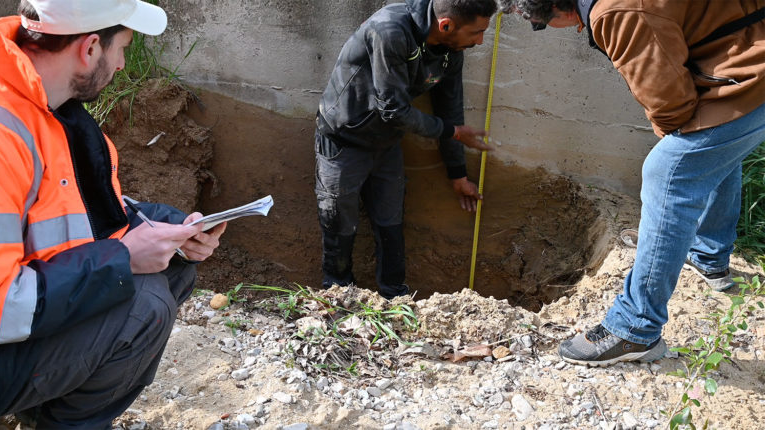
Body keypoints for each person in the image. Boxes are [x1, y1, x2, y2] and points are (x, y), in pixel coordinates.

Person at [0, 0, 227, 426]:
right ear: (88, 49)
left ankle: (38, 407)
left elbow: (82, 211)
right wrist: (121, 258)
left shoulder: (47, 107)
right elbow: (1, 307)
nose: (122, 65)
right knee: (144, 307)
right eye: (121, 48)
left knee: (172, 269)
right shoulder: (3, 134)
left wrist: (166, 226)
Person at [503, 0, 765, 367]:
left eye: (540, 24)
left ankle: (634, 328)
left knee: (669, 172)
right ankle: (708, 256)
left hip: (751, 70)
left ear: (559, 11)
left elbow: (671, 106)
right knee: (715, 148)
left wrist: (675, 143)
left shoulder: (615, 12)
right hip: (747, 50)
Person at [315, 0, 498, 299]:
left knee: (390, 224)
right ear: (446, 25)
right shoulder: (390, 30)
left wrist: (457, 174)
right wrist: (452, 132)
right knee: (339, 225)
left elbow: (449, 109)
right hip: (343, 140)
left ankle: (395, 299)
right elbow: (394, 110)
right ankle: (337, 296)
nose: (479, 41)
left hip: (387, 143)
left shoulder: (452, 50)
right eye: (476, 33)